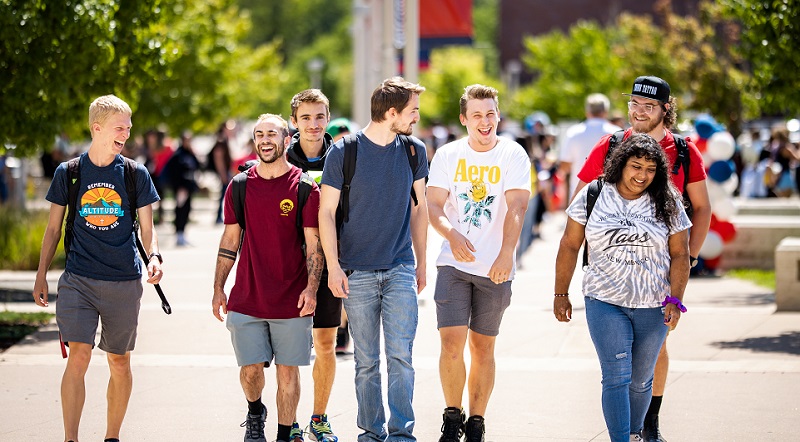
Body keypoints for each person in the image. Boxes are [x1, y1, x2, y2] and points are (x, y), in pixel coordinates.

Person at [574, 76, 711, 442]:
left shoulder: (683, 150)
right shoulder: (612, 144)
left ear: (666, 109)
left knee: (656, 348)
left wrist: (689, 259)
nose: (639, 111)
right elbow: (580, 203)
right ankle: (629, 429)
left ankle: (649, 422)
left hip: (663, 271)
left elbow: (701, 208)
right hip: (611, 273)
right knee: (618, 363)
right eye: (634, 103)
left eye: (649, 106)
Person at [32, 94, 163, 442]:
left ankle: (111, 437)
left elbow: (148, 229)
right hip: (78, 279)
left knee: (119, 361)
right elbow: (52, 228)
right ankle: (70, 438)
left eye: (129, 126)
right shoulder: (70, 172)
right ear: (97, 128)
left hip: (123, 280)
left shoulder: (135, 173)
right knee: (79, 355)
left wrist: (155, 257)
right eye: (120, 127)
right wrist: (41, 274)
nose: (127, 133)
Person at [554, 133, 692, 442]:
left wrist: (676, 299)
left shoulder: (667, 199)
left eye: (650, 169)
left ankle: (632, 434)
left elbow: (681, 253)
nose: (642, 175)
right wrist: (561, 294)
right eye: (635, 166)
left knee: (641, 380)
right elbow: (569, 244)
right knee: (616, 376)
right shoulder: (594, 193)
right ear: (621, 164)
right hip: (604, 299)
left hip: (653, 304)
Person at [318, 76, 428, 442]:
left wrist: (422, 263)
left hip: (399, 268)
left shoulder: (414, 151)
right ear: (392, 112)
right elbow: (326, 212)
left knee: (401, 357)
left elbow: (420, 210)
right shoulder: (344, 151)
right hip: (356, 272)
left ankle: (401, 434)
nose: (416, 117)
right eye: (412, 110)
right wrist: (333, 266)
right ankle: (371, 433)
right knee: (366, 363)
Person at [427, 84, 531, 442]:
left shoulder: (513, 155)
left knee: (483, 347)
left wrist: (506, 253)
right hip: (453, 266)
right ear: (464, 119)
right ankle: (452, 418)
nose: (484, 122)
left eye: (490, 114)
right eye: (477, 115)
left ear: (497, 115)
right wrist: (451, 235)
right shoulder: (448, 155)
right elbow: (435, 207)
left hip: (495, 270)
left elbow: (517, 207)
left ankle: (476, 424)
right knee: (451, 344)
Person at [212, 113, 322, 442]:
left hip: (291, 298)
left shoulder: (304, 187)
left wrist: (312, 289)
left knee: (288, 373)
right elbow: (230, 240)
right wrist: (218, 287)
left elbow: (314, 246)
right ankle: (255, 411)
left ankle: (284, 434)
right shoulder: (241, 186)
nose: (264, 139)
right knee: (250, 371)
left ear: (287, 140)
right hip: (248, 296)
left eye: (271, 134)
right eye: (259, 134)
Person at [286, 89, 340, 442]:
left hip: (330, 265)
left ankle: (318, 418)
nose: (313, 124)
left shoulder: (342, 158)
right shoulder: (280, 159)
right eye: (305, 117)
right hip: (288, 267)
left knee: (325, 344)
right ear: (294, 122)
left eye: (319, 116)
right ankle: (287, 422)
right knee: (288, 349)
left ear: (328, 118)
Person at [558, 93, 621, 199]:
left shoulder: (573, 132)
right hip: (610, 197)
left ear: (587, 111)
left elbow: (564, 166)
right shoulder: (617, 132)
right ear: (606, 111)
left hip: (579, 194)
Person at [163, 131, 200, 246]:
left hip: (188, 187)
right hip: (181, 188)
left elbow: (198, 166)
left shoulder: (190, 154)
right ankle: (178, 234)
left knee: (187, 209)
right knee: (180, 210)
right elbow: (175, 173)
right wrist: (179, 187)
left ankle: (183, 233)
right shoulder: (178, 155)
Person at [209, 122, 234, 224]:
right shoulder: (221, 140)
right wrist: (223, 174)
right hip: (224, 172)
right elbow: (218, 159)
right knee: (224, 195)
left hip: (226, 172)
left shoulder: (225, 140)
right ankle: (218, 216)